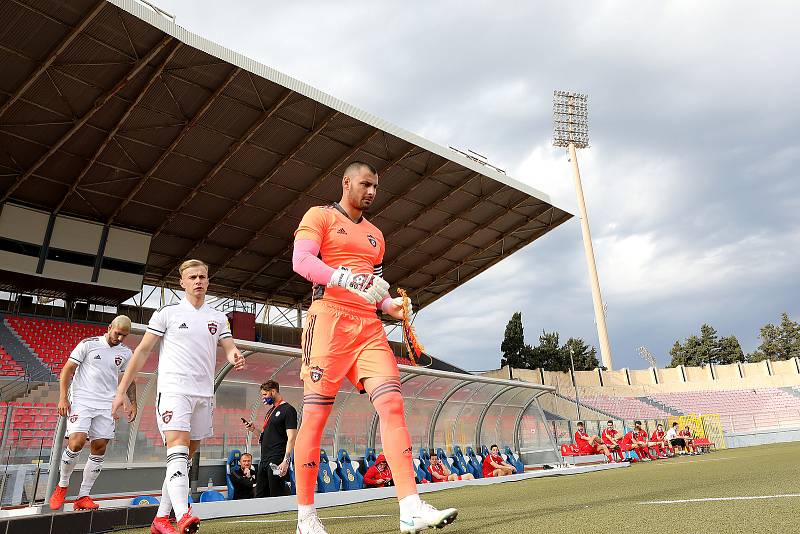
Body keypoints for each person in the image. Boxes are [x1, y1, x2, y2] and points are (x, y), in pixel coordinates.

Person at [291, 161, 457, 534]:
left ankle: (410, 507)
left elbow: (375, 288)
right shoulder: (319, 215)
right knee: (316, 416)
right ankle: (306, 518)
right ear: (346, 182)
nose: (371, 192)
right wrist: (344, 278)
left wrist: (389, 306)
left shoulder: (376, 236)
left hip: (368, 327)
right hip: (328, 321)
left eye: (376, 187)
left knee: (393, 404)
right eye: (365, 184)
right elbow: (301, 261)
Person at [112, 259, 246, 534]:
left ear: (208, 281)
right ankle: (183, 512)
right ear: (182, 283)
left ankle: (161, 518)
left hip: (203, 394)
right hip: (174, 390)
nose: (198, 281)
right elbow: (142, 352)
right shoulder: (167, 313)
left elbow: (229, 346)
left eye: (203, 277)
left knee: (183, 459)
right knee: (178, 448)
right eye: (193, 277)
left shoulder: (218, 317)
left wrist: (235, 355)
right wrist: (121, 390)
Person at [48, 316, 135, 511]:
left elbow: (128, 378)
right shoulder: (89, 344)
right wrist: (63, 397)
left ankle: (83, 496)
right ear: (110, 327)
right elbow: (68, 369)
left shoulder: (126, 353)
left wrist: (133, 402)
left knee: (99, 446)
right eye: (117, 333)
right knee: (76, 442)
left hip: (106, 404)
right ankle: (62, 485)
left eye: (124, 335)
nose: (120, 338)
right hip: (82, 400)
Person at [242, 380, 297, 497]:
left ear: (273, 391)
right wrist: (253, 429)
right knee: (260, 494)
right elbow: (263, 437)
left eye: (265, 394)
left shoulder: (288, 410)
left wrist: (285, 461)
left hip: (276, 460)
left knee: (276, 492)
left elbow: (292, 437)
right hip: (264, 460)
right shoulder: (270, 411)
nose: (263, 398)